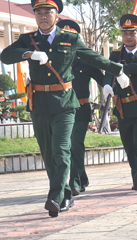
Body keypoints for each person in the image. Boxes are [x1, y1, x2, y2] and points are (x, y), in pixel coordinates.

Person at [1, 0, 129, 217]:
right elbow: (5, 56)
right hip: (39, 104)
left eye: (47, 11)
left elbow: (93, 57)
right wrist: (29, 54)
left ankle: (54, 197)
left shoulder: (69, 38)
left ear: (57, 14)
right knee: (49, 153)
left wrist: (118, 70)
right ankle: (65, 194)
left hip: (65, 104)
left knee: (61, 149)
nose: (42, 16)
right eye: (38, 12)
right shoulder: (27, 40)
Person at [104, 14, 137, 191]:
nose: (128, 36)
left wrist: (120, 69)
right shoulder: (115, 55)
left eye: (132, 33)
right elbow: (108, 72)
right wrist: (106, 84)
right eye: (125, 33)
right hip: (123, 107)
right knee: (128, 143)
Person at [57, 19, 105, 196]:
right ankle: (82, 177)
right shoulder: (52, 60)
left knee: (75, 144)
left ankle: (74, 182)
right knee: (65, 146)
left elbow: (103, 79)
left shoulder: (86, 61)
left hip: (81, 109)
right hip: (60, 110)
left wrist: (109, 86)